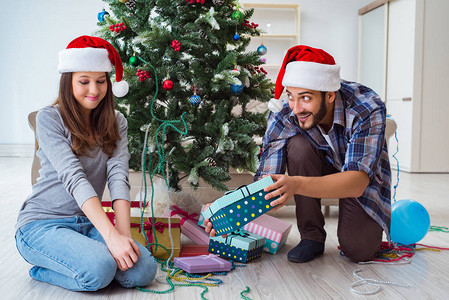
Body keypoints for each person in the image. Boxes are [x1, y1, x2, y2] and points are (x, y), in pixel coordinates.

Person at [15, 35, 157, 291]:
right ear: (68, 82)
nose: (94, 90)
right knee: (99, 269)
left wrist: (121, 237)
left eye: (101, 81)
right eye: (84, 81)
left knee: (143, 270)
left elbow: (118, 177)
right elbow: (75, 178)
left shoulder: (117, 121)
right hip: (42, 224)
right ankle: (42, 268)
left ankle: (89, 258)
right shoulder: (49, 118)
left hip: (87, 223)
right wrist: (110, 238)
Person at [254, 45, 391, 263]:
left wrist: (296, 184)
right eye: (290, 96)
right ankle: (312, 237)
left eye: (305, 98)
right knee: (298, 145)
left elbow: (356, 181)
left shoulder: (366, 106)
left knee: (359, 250)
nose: (296, 108)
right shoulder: (286, 110)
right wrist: (225, 215)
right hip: (317, 166)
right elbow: (267, 181)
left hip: (359, 176)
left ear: (329, 95)